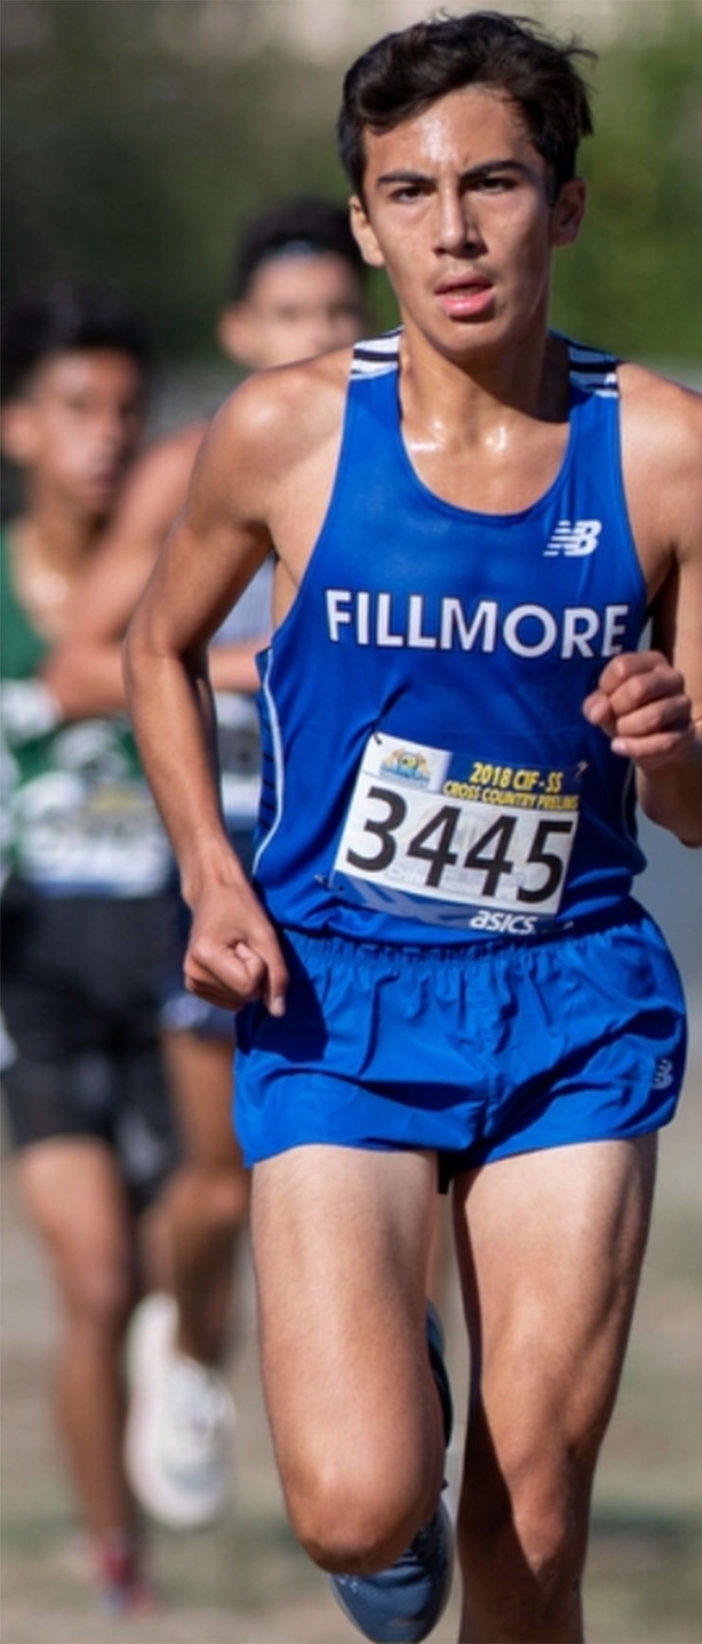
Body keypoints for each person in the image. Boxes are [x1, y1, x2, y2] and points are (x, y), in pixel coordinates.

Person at [124, 14, 702, 1642]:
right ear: (363, 223)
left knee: (531, 1518)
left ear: (567, 202)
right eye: (410, 193)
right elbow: (157, 644)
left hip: (570, 997)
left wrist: (671, 739)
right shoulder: (286, 429)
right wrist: (210, 864)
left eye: (495, 183)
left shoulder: (669, 450)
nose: (455, 231)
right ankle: (386, 1379)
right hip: (336, 995)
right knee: (359, 1502)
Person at [44, 197, 368, 1531]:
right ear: (242, 332)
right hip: (226, 851)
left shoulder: (427, 456)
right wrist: (263, 668)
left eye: (340, 315)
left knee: (396, 1143)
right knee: (221, 1170)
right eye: (290, 318)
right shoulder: (197, 468)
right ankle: (187, 1352)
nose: (317, 339)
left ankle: (406, 1426)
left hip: (362, 854)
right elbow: (79, 665)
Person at [0, 283, 179, 1612]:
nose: (107, 437)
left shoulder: (192, 570)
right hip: (40, 977)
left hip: (183, 961)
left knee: (194, 1241)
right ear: (18, 428)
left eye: (128, 410)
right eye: (78, 409)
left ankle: (197, 1375)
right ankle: (121, 1566)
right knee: (96, 1276)